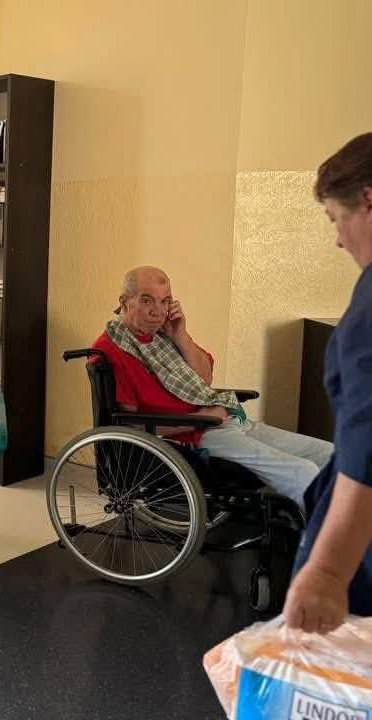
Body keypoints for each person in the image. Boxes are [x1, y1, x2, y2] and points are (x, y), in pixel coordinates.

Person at [92, 266, 333, 508]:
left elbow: (204, 379)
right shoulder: (112, 349)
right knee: (304, 472)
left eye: (165, 301)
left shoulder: (163, 335)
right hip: (198, 435)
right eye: (147, 300)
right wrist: (199, 419)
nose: (158, 311)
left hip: (228, 420)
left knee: (330, 455)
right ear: (124, 302)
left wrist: (180, 335)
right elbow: (130, 425)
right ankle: (326, 531)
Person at [283, 133, 372, 632]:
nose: (338, 239)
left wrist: (328, 571)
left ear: (368, 201)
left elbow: (367, 445)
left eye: (335, 218)